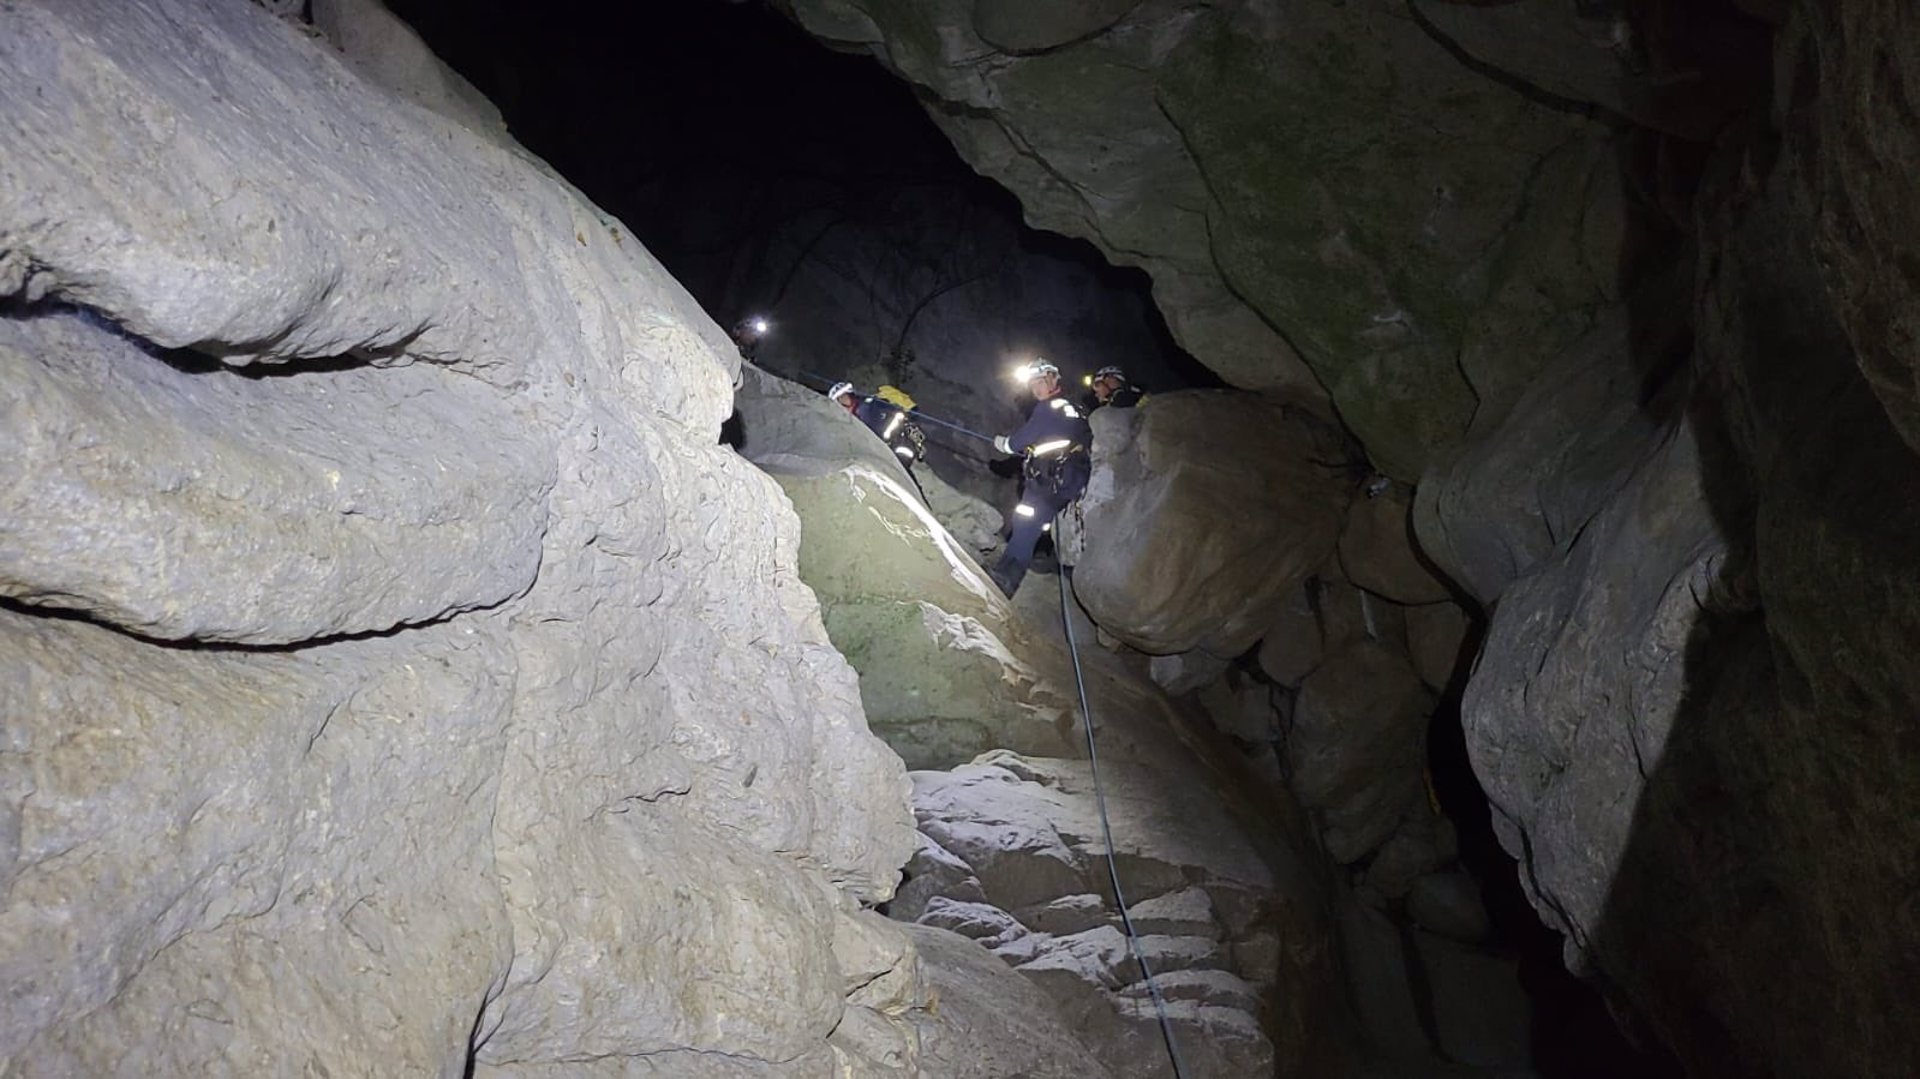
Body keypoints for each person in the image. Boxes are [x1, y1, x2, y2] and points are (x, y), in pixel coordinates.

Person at [988, 360, 1093, 598]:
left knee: (1025, 526)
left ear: (1054, 379)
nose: (1036, 388)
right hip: (1071, 481)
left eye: (1040, 382)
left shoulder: (1049, 407)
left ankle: (1006, 579)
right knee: (1035, 528)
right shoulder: (1074, 408)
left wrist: (1003, 444)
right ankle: (1011, 573)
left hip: (1048, 483)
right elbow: (1061, 439)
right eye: (1032, 384)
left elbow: (1017, 442)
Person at [827, 381, 924, 466]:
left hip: (899, 439)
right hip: (888, 447)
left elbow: (892, 419)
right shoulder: (855, 419)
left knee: (901, 469)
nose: (844, 403)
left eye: (844, 397)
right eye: (840, 401)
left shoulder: (868, 405)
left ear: (850, 394)